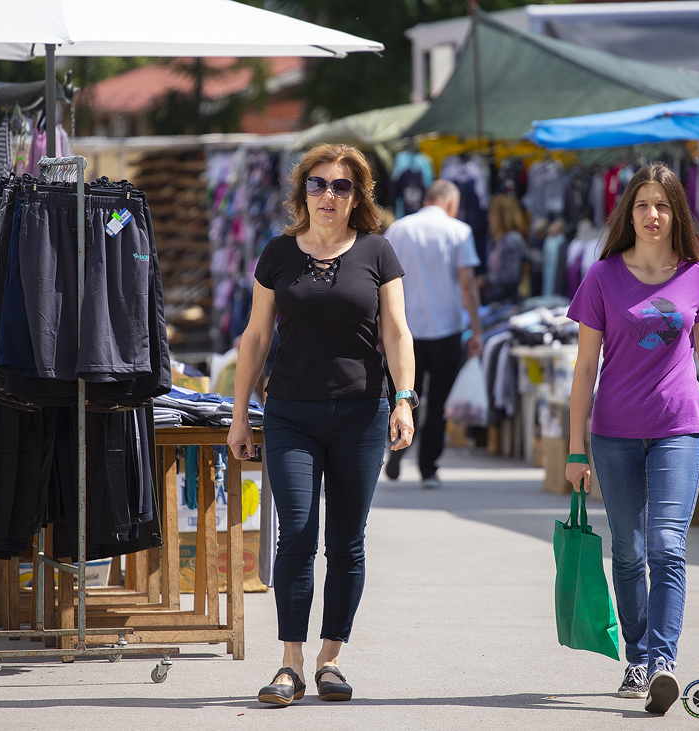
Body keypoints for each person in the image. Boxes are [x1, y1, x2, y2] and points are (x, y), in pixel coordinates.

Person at [226, 143, 416, 706]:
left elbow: (397, 332)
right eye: (318, 184)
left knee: (347, 542)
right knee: (298, 535)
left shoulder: (378, 253)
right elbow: (255, 337)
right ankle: (290, 664)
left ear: (357, 196)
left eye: (341, 186)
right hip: (290, 413)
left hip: (362, 413)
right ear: (301, 192)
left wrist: (403, 400)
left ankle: (331, 659)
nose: (328, 195)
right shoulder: (278, 253)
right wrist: (239, 416)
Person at [564, 162, 699, 715]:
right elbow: (584, 367)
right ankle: (636, 658)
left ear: (676, 213)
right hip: (613, 434)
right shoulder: (602, 277)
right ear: (628, 213)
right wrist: (574, 449)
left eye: (662, 205)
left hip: (679, 429)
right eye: (642, 205)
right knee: (628, 549)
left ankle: (663, 662)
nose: (652, 215)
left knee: (667, 545)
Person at [382, 179, 482, 489]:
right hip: (446, 328)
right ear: (450, 203)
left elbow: (381, 281)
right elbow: (466, 283)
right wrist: (476, 328)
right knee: (437, 402)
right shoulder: (458, 231)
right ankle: (428, 469)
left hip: (404, 329)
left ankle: (398, 444)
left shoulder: (398, 229)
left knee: (404, 395)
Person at [477, 193, 527, 304]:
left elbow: (511, 276)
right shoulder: (500, 240)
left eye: (492, 214)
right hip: (495, 301)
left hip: (507, 304)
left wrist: (486, 280)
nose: (489, 218)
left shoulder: (512, 240)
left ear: (502, 216)